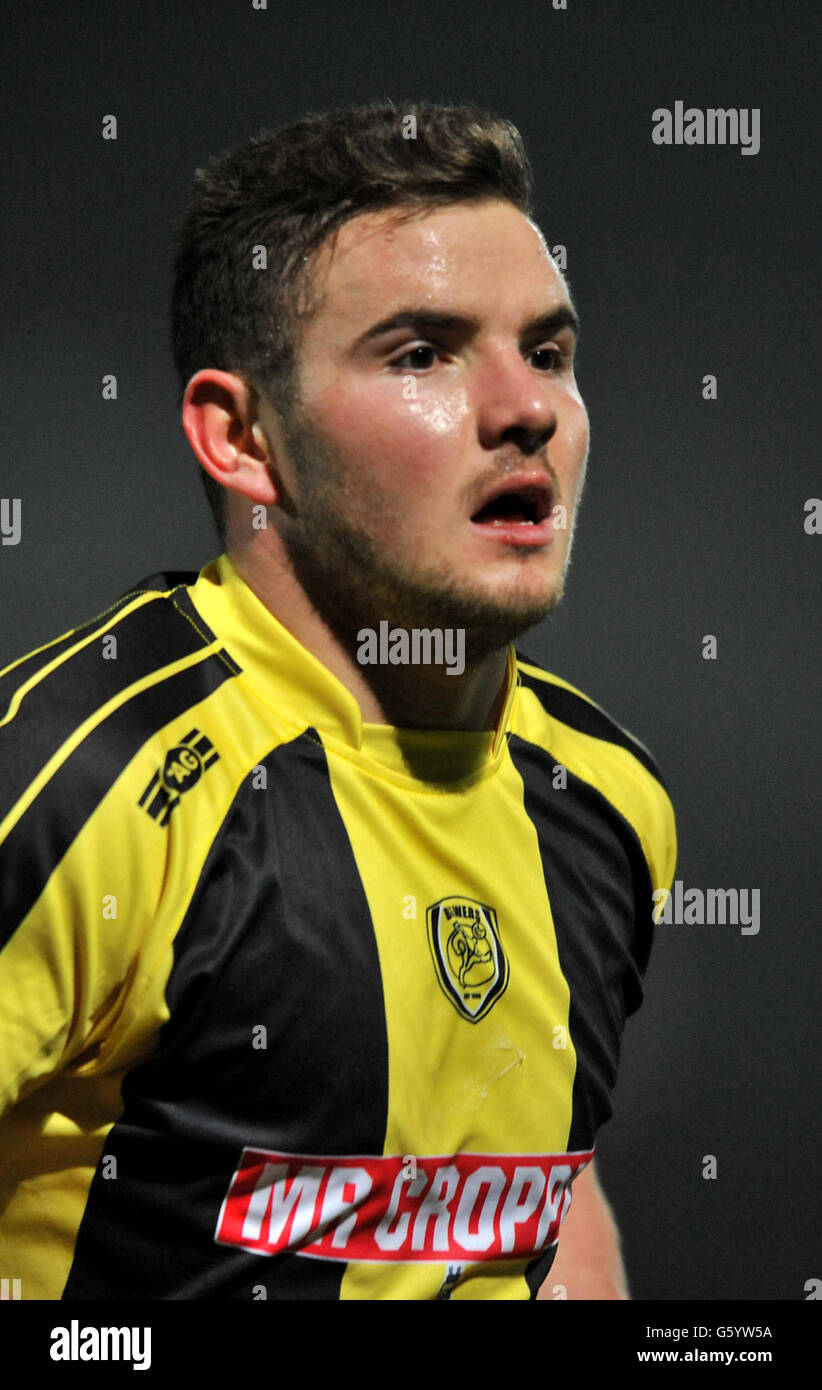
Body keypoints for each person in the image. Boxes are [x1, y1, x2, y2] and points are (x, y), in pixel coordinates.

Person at [0, 100, 676, 1301]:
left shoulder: (608, 796)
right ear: (243, 439)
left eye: (552, 352)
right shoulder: (77, 784)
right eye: (422, 353)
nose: (526, 409)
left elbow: (538, 1186)